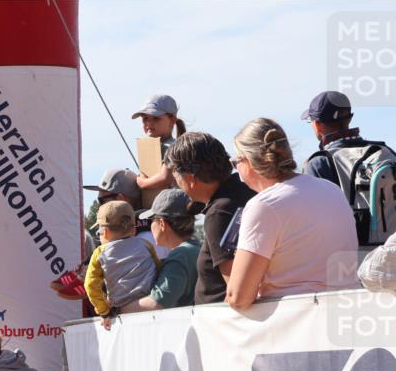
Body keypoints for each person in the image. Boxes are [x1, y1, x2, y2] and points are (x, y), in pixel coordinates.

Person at [225, 118, 360, 310]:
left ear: (247, 161)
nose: (236, 169)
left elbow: (238, 297)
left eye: (235, 162)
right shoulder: (331, 190)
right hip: (347, 315)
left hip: (295, 326)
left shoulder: (263, 206)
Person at [164, 132, 256, 304]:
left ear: (190, 178)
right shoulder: (247, 192)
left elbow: (237, 290)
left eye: (175, 175)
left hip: (225, 322)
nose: (176, 184)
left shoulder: (219, 212)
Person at [301, 91, 395, 246]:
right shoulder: (385, 152)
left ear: (317, 125)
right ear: (350, 118)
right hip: (391, 253)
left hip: (351, 259)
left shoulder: (320, 162)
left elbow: (315, 223)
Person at [84, 201, 161, 330]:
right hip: (150, 309)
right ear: (134, 229)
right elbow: (158, 269)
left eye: (99, 232)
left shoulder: (99, 253)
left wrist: (104, 311)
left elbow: (90, 285)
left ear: (106, 232)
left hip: (121, 314)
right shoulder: (146, 245)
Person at [127, 189, 201, 311]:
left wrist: (114, 310)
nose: (151, 226)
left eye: (152, 220)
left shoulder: (180, 255)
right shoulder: (195, 248)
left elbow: (156, 304)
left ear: (162, 224)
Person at [133, 94, 186, 195]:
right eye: (145, 119)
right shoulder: (153, 148)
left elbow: (166, 177)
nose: (149, 123)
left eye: (156, 118)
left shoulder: (172, 147)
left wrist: (142, 183)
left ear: (172, 120)